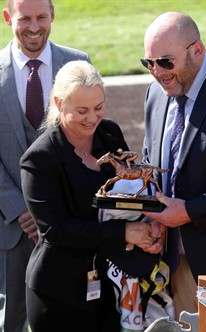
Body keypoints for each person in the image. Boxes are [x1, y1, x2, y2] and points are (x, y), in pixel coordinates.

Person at [20, 60, 164, 332]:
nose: (92, 118)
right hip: (59, 293)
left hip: (111, 286)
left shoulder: (109, 133)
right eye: (82, 110)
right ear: (59, 104)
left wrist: (148, 223)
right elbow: (56, 230)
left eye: (98, 107)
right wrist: (123, 232)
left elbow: (128, 192)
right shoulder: (39, 159)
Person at [0, 0, 91, 330]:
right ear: (8, 17)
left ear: (52, 15)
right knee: (9, 319)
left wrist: (49, 210)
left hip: (65, 223)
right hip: (10, 227)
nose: (34, 26)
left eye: (41, 16)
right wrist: (21, 208)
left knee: (68, 315)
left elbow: (89, 137)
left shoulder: (79, 63)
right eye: (25, 18)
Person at [139, 11, 206, 330]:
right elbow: (150, 158)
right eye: (147, 63)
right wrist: (151, 212)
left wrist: (190, 210)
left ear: (197, 51)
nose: (156, 72)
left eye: (165, 61)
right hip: (171, 259)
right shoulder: (155, 93)